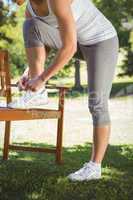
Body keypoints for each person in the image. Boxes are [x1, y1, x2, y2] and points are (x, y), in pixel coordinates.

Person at [9, 0, 119, 181]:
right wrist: (29, 73)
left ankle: (95, 167)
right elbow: (43, 43)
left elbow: (69, 47)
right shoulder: (30, 9)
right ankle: (38, 94)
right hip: (77, 40)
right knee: (31, 26)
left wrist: (42, 78)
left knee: (97, 103)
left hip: (101, 41)